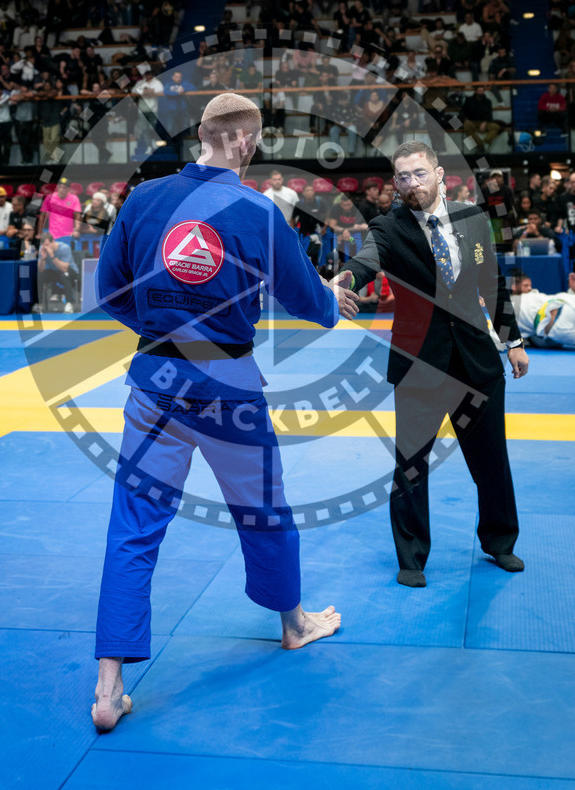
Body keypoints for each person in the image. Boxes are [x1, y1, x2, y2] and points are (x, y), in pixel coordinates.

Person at [92, 92, 358, 731]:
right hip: (230, 389)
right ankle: (293, 624)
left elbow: (110, 292)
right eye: (256, 141)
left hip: (155, 382)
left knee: (133, 525)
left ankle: (107, 689)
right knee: (265, 511)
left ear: (204, 135)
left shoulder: (143, 198)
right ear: (242, 142)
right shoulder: (259, 212)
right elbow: (310, 305)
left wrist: (163, 333)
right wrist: (332, 297)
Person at [345, 141, 528, 587]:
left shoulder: (472, 217)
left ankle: (500, 543)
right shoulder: (388, 226)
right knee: (411, 463)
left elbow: (492, 284)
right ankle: (411, 557)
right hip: (418, 362)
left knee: (491, 459)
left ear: (439, 173)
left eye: (419, 174)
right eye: (402, 177)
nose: (411, 184)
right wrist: (343, 280)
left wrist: (514, 342)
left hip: (476, 360)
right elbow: (366, 262)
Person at [510, 272, 575, 349]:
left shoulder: (533, 295)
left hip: (559, 331)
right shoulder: (511, 304)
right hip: (561, 316)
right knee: (561, 298)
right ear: (513, 287)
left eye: (530, 285)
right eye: (526, 286)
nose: (530, 288)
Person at [36, 232, 79, 312]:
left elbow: (64, 268)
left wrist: (52, 256)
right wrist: (43, 258)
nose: (46, 247)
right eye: (44, 245)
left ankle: (69, 303)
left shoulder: (64, 248)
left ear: (53, 242)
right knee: (41, 276)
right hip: (55, 271)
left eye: (47, 244)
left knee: (64, 274)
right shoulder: (42, 249)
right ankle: (40, 304)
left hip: (70, 271)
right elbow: (41, 270)